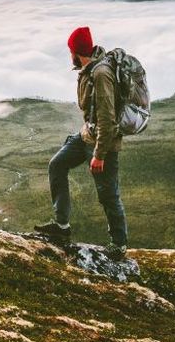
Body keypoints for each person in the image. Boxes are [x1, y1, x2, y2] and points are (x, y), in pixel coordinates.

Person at [34, 26, 128, 258]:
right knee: (57, 164)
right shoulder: (89, 69)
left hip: (102, 143)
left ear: (77, 52)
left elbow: (108, 119)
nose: (70, 56)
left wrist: (99, 154)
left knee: (107, 195)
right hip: (87, 135)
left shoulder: (100, 74)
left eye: (71, 51)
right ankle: (62, 227)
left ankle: (119, 245)